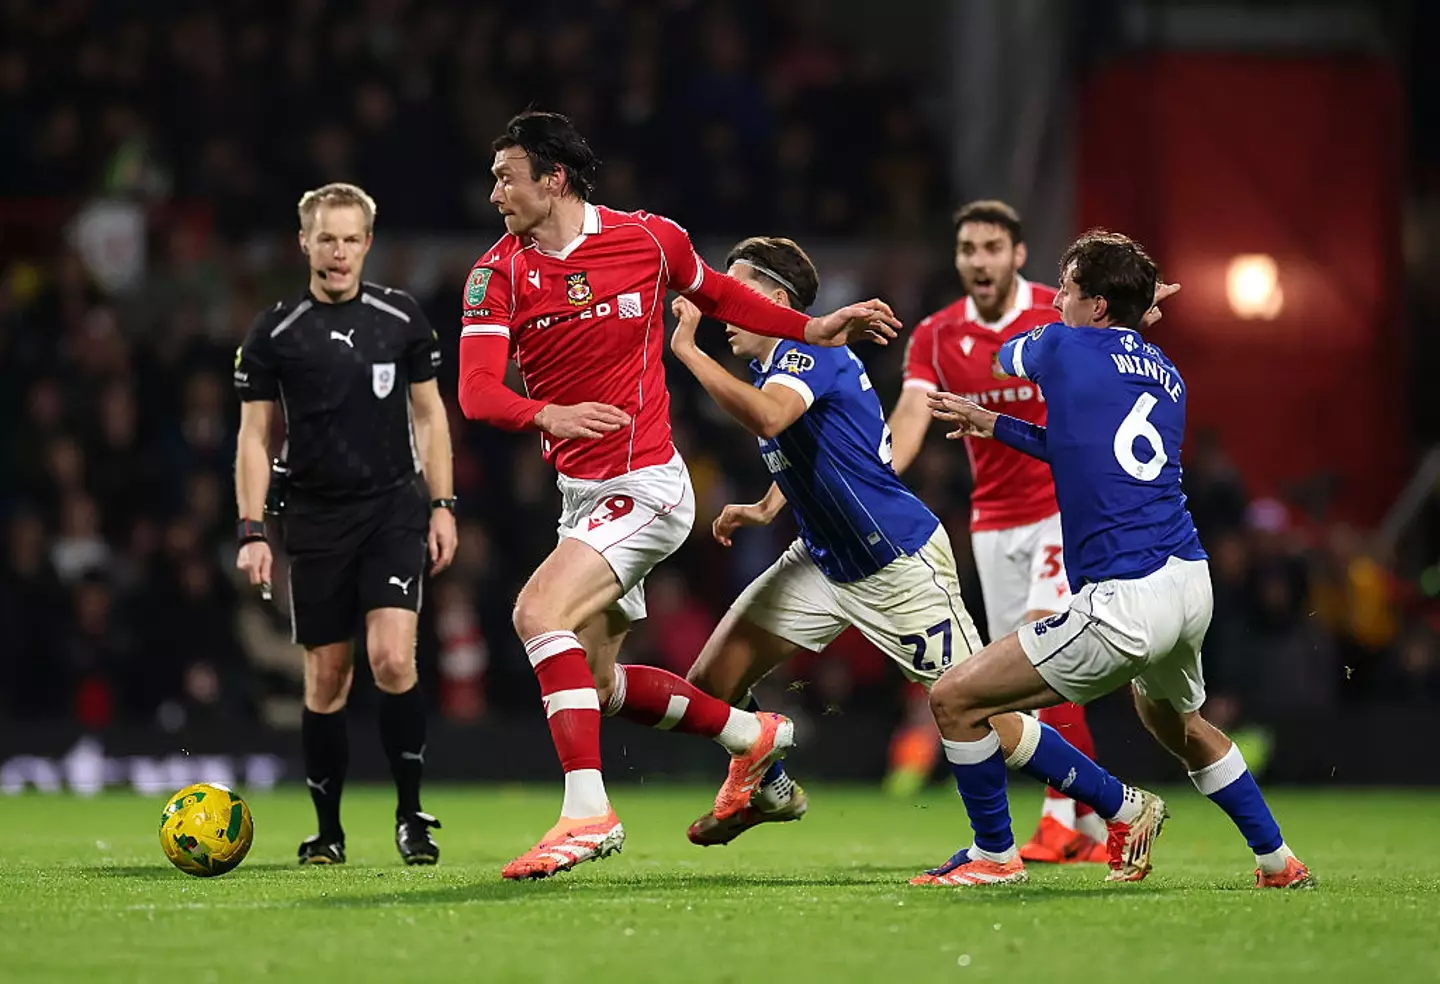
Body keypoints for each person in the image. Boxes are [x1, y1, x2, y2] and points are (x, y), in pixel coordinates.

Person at [456, 111, 901, 881]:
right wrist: (547, 413)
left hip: (649, 486)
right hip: (581, 495)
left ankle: (586, 813)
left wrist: (813, 326)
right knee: (597, 684)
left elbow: (725, 295)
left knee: (536, 613)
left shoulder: (651, 239)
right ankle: (751, 737)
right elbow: (475, 394)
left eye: (507, 176)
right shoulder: (495, 274)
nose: (495, 192)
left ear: (552, 180)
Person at [914, 230, 1313, 889]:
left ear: (1097, 304)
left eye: (1066, 290)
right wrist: (997, 427)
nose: (1057, 300)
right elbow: (1086, 452)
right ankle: (1278, 862)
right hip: (1188, 581)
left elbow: (1006, 357)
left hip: (1124, 598)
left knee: (955, 698)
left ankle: (994, 857)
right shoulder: (1169, 374)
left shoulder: (1060, 342)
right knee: (1177, 722)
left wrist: (1041, 337)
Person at [667, 236, 982, 846]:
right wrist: (765, 506)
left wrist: (687, 350)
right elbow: (827, 451)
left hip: (895, 560)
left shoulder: (811, 354)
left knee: (980, 710)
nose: (724, 306)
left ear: (774, 299)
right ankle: (770, 786)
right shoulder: (778, 365)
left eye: (737, 292)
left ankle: (1117, 805)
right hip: (822, 559)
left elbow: (768, 418)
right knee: (710, 684)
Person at [233, 182, 458, 866]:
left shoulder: (402, 318)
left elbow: (429, 416)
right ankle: (327, 830)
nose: (338, 251)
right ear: (304, 242)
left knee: (393, 657)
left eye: (350, 238)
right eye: (325, 238)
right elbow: (253, 437)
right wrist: (251, 529)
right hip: (314, 516)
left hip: (392, 507)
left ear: (367, 242)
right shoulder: (275, 332)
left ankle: (411, 816)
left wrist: (443, 506)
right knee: (328, 678)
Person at [885, 200, 1104, 862]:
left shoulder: (1054, 310)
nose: (978, 261)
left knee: (1049, 653)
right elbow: (912, 409)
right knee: (1023, 680)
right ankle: (1091, 826)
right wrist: (877, 474)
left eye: (991, 247)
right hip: (993, 522)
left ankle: (1065, 820)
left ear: (1017, 255)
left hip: (1061, 510)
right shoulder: (935, 335)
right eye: (967, 249)